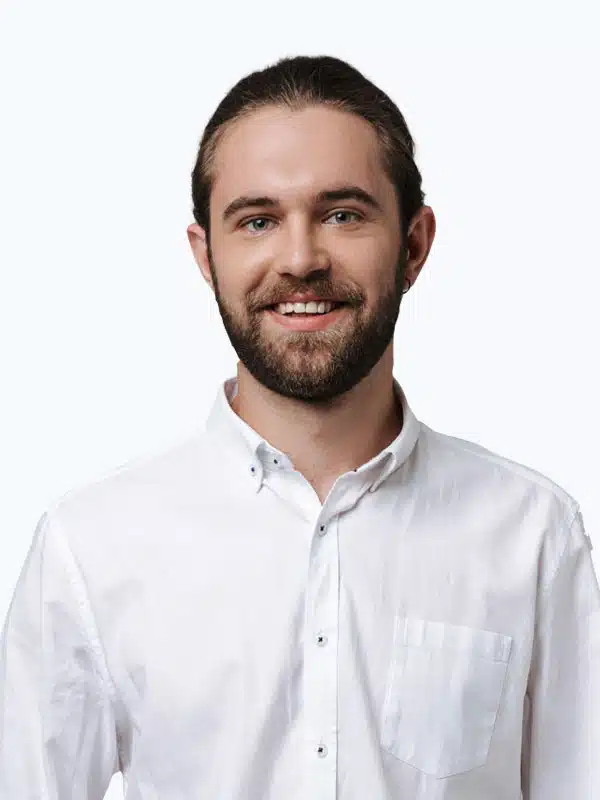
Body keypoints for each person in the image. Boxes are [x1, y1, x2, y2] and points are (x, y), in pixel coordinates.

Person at [0, 54, 598, 800]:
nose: (300, 258)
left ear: (413, 244)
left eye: (343, 214)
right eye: (257, 221)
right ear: (206, 256)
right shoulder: (89, 548)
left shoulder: (534, 535)